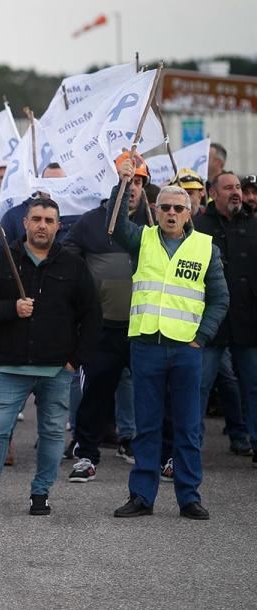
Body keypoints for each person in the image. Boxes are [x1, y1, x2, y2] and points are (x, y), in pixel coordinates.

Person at [0, 198, 100, 516]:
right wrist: (12, 308)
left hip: (57, 368)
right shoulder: (2, 261)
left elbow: (92, 316)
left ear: (58, 225)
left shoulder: (73, 265)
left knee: (52, 432)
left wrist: (75, 361)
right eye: (36, 219)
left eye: (49, 220)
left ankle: (41, 494)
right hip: (13, 366)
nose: (42, 225)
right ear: (24, 222)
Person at [109, 157, 227, 520]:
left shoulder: (206, 247)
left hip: (186, 350)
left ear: (190, 212)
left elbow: (220, 298)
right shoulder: (141, 239)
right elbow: (114, 227)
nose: (172, 213)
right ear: (156, 210)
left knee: (188, 426)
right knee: (146, 427)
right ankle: (142, 497)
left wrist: (201, 337)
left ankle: (189, 496)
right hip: (146, 346)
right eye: (166, 208)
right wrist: (123, 185)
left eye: (179, 208)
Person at [64, 154, 152, 477]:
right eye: (128, 181)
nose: (133, 189)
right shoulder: (90, 221)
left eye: (139, 182)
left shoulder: (154, 223)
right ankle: (86, 452)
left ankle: (145, 448)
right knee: (96, 394)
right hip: (103, 328)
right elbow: (69, 263)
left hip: (144, 327)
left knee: (150, 394)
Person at [193, 171, 257, 463]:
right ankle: (190, 447)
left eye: (238, 189)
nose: (236, 193)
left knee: (253, 385)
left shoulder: (253, 225)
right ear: (213, 193)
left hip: (249, 321)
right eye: (228, 188)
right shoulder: (197, 228)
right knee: (199, 386)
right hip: (209, 324)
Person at [0, 164, 79, 256]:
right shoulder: (14, 216)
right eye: (49, 182)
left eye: (60, 183)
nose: (53, 188)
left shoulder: (79, 215)